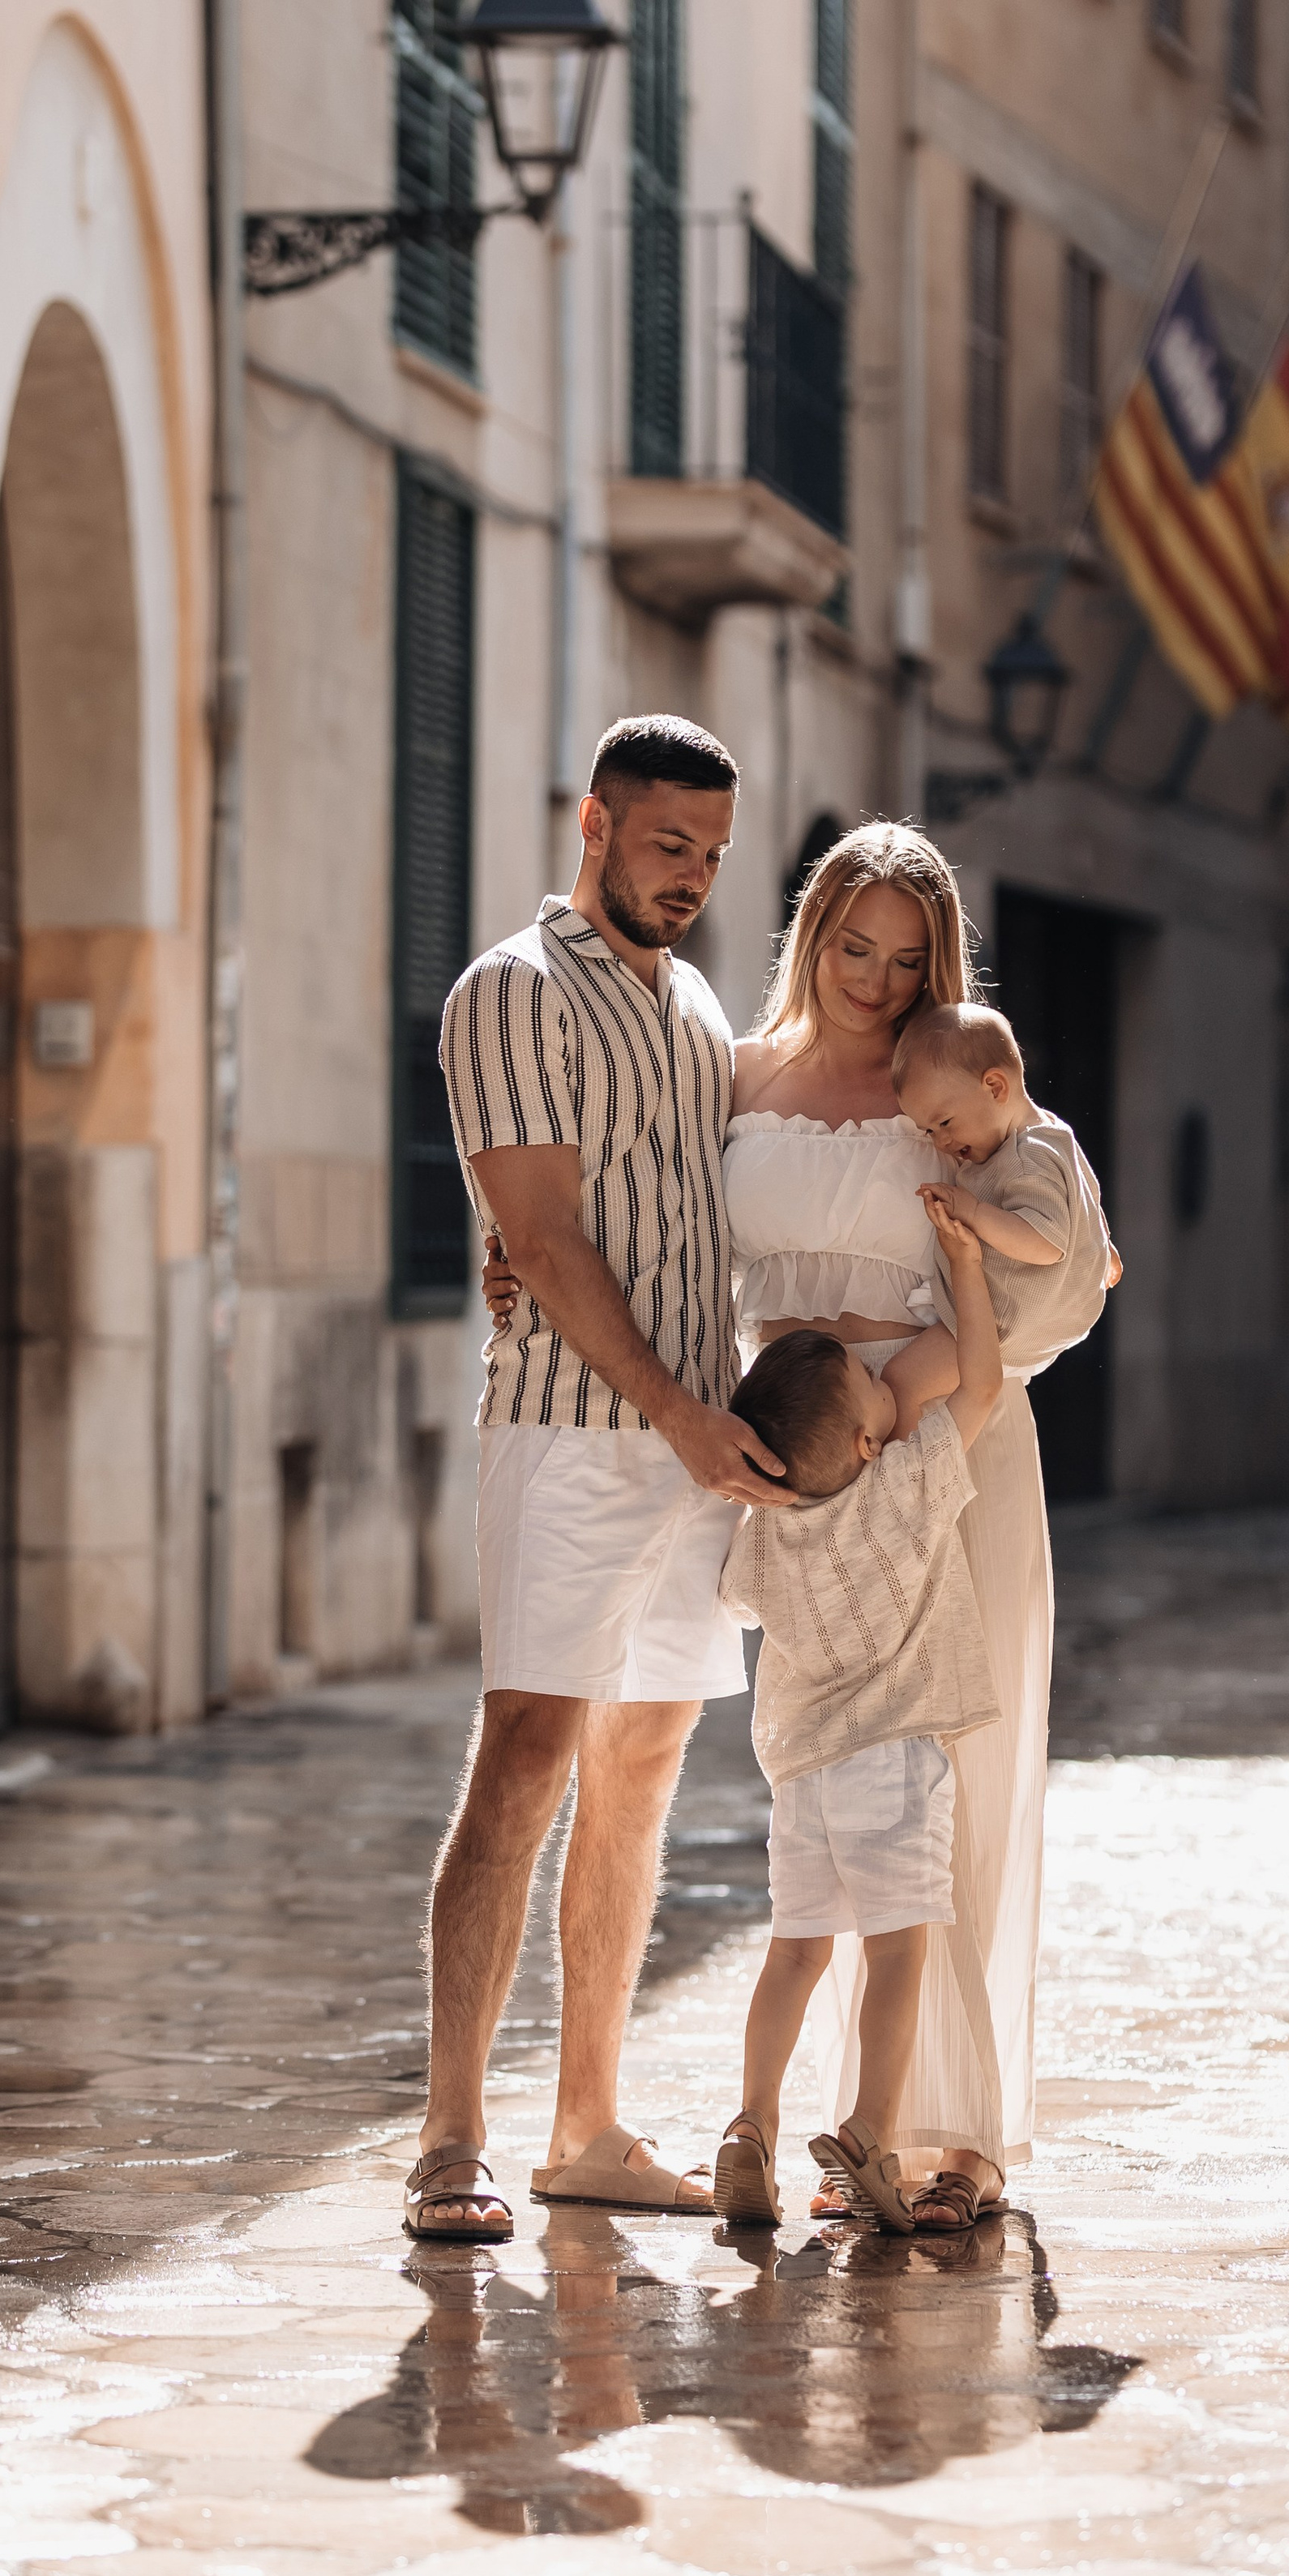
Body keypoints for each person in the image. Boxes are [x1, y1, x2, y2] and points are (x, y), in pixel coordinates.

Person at [485, 819, 1096, 2232]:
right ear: (810, 934)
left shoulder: (956, 1093)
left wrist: (922, 1380)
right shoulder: (730, 1074)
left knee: (962, 1788)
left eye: (905, 956)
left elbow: (1064, 1272)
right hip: (796, 1466)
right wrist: (510, 1253)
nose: (878, 980)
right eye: (851, 945)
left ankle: (955, 2135)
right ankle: (831, 2121)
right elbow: (631, 1216)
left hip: (947, 1448)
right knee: (837, 1798)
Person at [406, 714, 792, 2245]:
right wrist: (682, 1419)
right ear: (594, 822)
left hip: (691, 1451)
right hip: (574, 1433)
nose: (690, 873)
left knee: (638, 1779)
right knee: (525, 1757)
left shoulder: (700, 1009)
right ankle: (448, 2137)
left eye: (709, 849)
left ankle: (587, 2124)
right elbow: (548, 1243)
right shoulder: (511, 988)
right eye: (664, 842)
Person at [709, 1192, 1005, 2232]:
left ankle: (749, 2122)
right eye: (875, 1392)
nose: (888, 1389)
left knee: (796, 1949)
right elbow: (980, 1378)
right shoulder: (911, 1483)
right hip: (895, 1760)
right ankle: (872, 2129)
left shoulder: (769, 1526)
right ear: (875, 1446)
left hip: (801, 1776)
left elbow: (737, 1598)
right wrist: (967, 1270)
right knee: (896, 1952)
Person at [896, 1001, 1115, 1371]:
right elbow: (1085, 1197)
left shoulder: (1028, 1156)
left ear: (995, 1087)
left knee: (902, 1378)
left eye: (945, 1122)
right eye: (929, 1131)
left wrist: (973, 1211)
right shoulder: (1053, 1131)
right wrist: (1101, 1249)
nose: (940, 1142)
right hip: (1019, 1324)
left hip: (997, 1324)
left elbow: (1046, 1243)